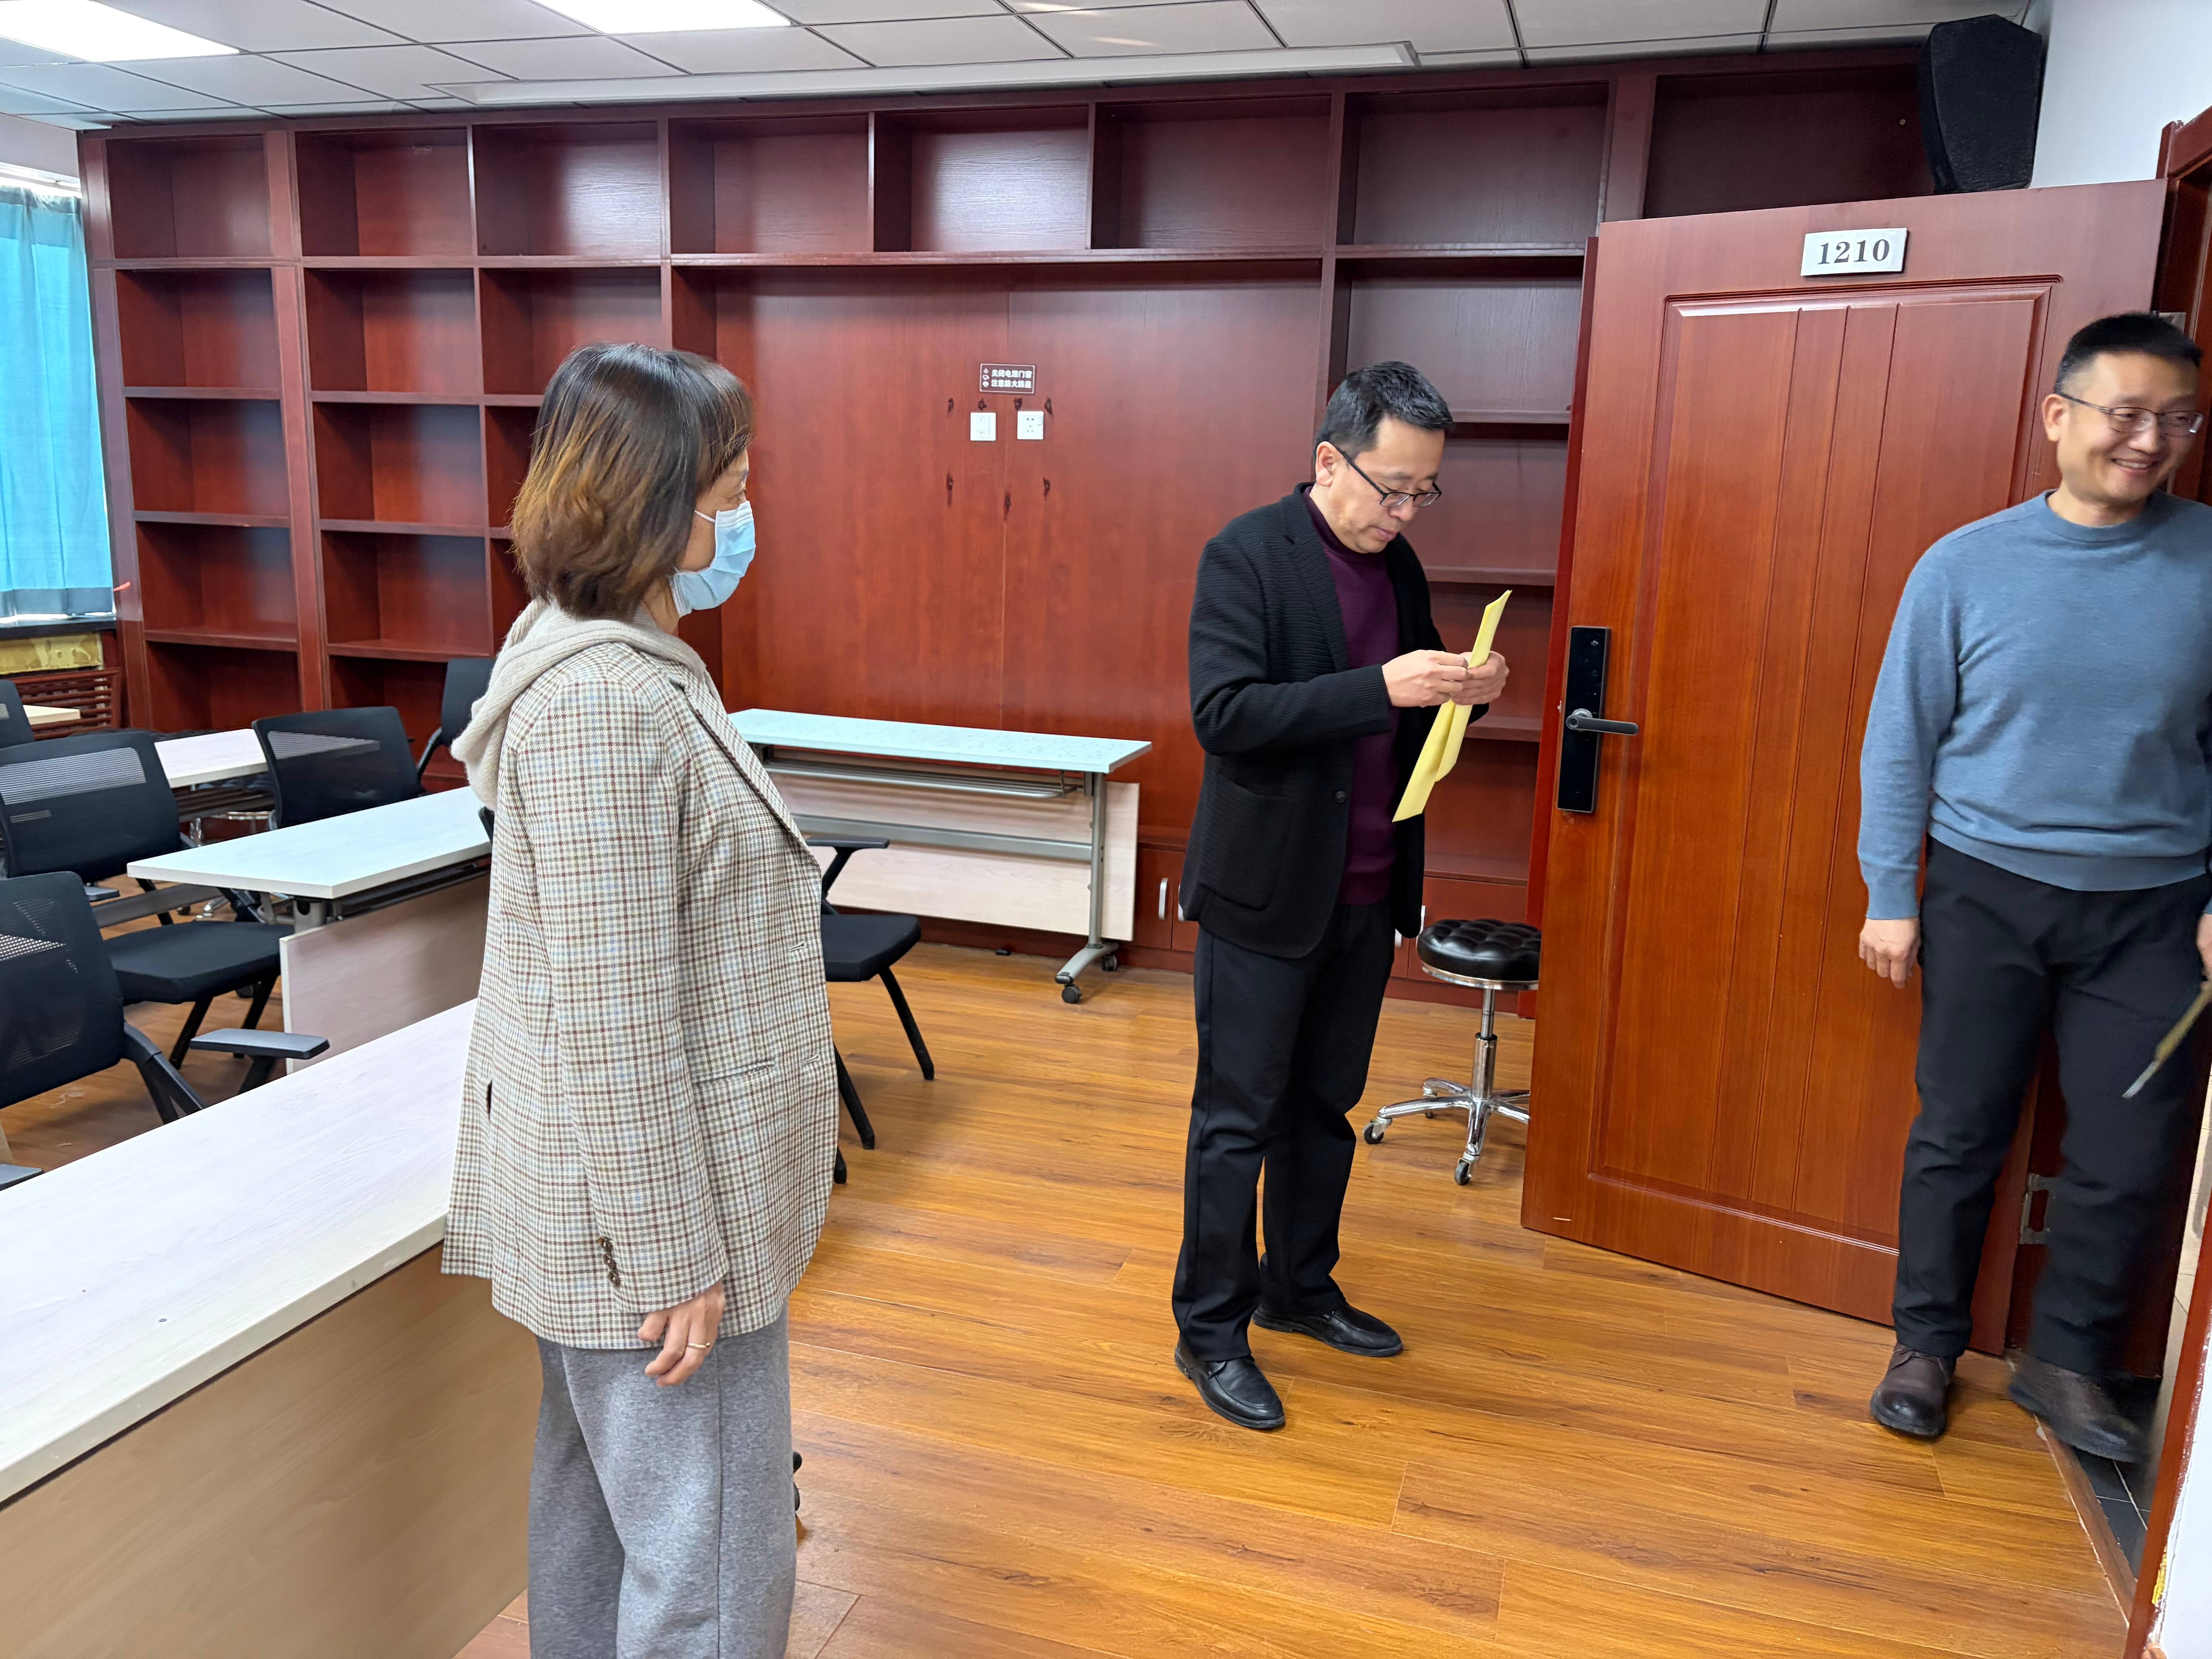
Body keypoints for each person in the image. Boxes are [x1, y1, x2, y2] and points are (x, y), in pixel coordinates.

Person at [444, 342, 837, 1657]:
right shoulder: (607, 701)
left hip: (615, 1211)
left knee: (604, 1516)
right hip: (656, 1223)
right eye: (731, 488)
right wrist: (674, 1255)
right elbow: (616, 1019)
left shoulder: (612, 653)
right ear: (657, 504)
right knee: (709, 1564)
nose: (745, 513)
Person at [1858, 311, 2212, 1462]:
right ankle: (1925, 1344)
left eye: (2178, 420)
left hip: (2159, 909)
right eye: (2127, 413)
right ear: (2059, 416)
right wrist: (1890, 893)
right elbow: (1900, 740)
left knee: (2130, 1147)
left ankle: (2066, 1362)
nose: (2150, 440)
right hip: (1985, 890)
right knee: (1959, 1131)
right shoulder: (1965, 565)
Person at [1171, 360, 1510, 1431]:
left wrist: (1467, 690)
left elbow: (1408, 707)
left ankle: (1299, 1289)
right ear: (1329, 461)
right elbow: (1225, 714)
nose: (1406, 512)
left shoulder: (1396, 565)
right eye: (1393, 487)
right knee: (1238, 1118)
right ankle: (1209, 1331)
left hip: (1366, 891)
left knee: (1325, 1108)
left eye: (1425, 493)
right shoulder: (1246, 554)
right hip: (1265, 897)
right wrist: (1382, 686)